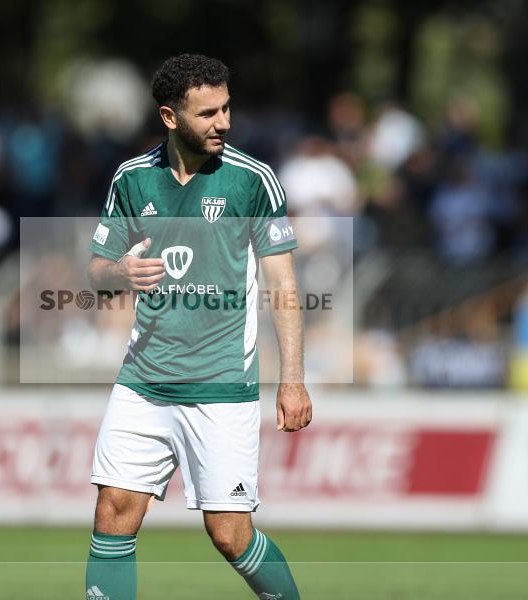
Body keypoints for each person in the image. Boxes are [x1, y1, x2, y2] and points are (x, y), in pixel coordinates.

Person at [85, 54, 311, 600]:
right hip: (143, 382)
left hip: (221, 386)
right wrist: (119, 272)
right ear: (170, 117)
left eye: (227, 108)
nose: (224, 122)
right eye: (208, 113)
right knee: (113, 512)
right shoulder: (132, 178)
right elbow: (96, 273)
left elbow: (282, 284)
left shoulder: (252, 180)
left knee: (229, 535)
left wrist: (292, 378)